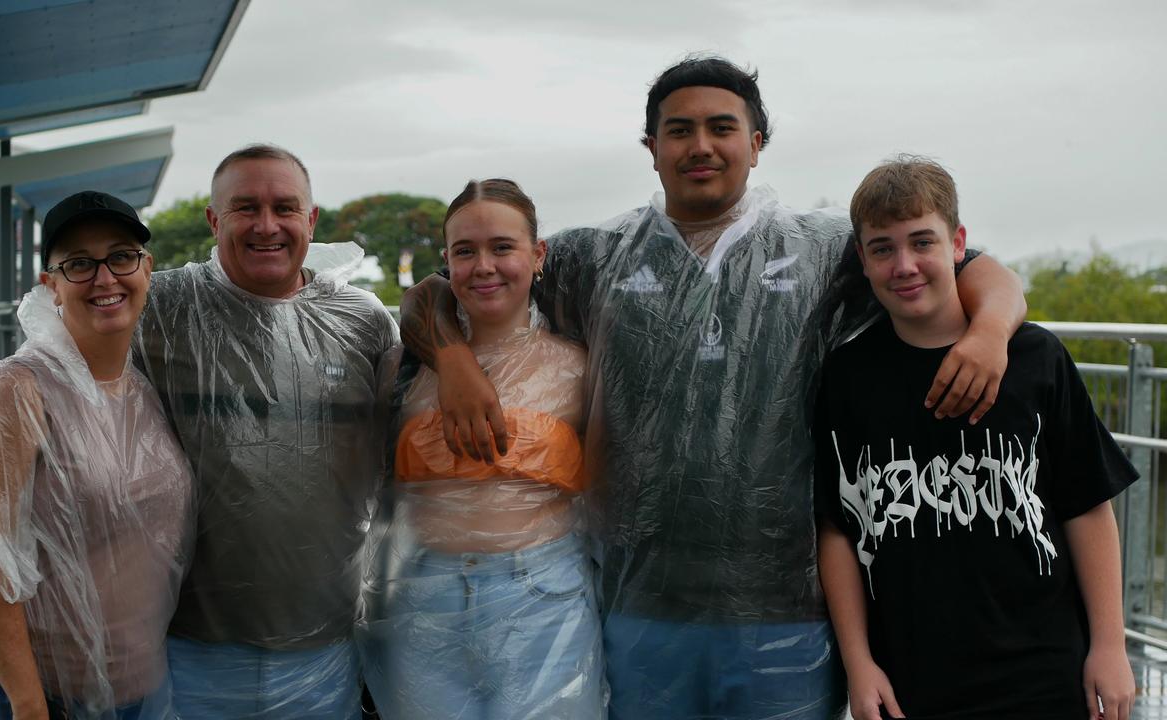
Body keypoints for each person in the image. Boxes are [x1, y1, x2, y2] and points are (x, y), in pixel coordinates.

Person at [401, 56, 1027, 719]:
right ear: (651, 149)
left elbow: (973, 266)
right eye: (679, 130)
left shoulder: (821, 248)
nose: (700, 145)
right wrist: (453, 360)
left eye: (722, 127)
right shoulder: (598, 255)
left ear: (756, 144)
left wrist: (989, 331)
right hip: (641, 604)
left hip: (787, 607)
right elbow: (437, 291)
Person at [815, 156, 1137, 720]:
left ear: (959, 243)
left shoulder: (1037, 358)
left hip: (1046, 668)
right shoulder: (847, 376)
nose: (905, 265)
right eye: (883, 249)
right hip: (912, 678)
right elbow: (838, 529)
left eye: (923, 242)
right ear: (863, 260)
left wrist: (1111, 645)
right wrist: (859, 663)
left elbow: (1087, 506)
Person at [133, 144, 398, 719]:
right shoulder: (162, 309)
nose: (267, 225)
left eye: (285, 207)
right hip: (185, 645)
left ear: (311, 219)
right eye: (245, 207)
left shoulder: (363, 322)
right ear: (213, 219)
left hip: (323, 646)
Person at [0, 191, 193, 719]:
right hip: (13, 693)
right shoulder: (17, 388)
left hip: (123, 687)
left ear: (146, 269)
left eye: (121, 256)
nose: (105, 277)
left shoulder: (140, 387)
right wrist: (27, 705)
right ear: (52, 285)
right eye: (78, 264)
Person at [361, 179, 603, 718]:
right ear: (446, 260)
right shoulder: (401, 370)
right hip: (425, 599)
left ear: (537, 255)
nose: (484, 266)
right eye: (465, 251)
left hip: (545, 599)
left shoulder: (579, 366)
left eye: (502, 247)